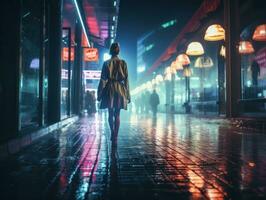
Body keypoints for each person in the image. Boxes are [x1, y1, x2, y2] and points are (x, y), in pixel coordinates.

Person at [97, 42, 130, 143]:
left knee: (110, 113)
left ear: (110, 50)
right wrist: (128, 94)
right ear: (118, 50)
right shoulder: (123, 63)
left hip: (110, 89)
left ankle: (112, 132)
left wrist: (99, 94)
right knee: (117, 114)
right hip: (120, 89)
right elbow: (127, 80)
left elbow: (103, 80)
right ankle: (115, 136)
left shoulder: (106, 63)